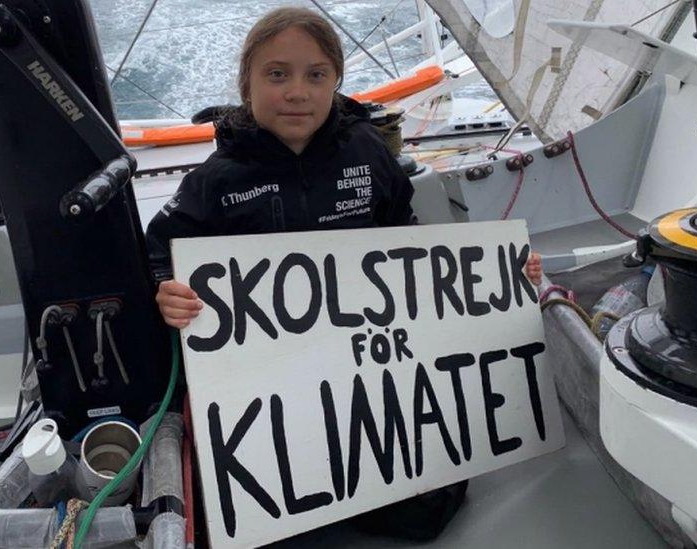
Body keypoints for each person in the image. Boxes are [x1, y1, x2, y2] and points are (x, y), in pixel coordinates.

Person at [145, 6, 542, 541]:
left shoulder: (367, 152)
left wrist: (499, 279)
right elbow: (157, 251)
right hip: (265, 382)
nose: (297, 92)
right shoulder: (214, 180)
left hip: (363, 371)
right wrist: (163, 291)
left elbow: (408, 238)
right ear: (247, 84)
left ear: (336, 81)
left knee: (422, 517)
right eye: (277, 74)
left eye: (316, 75)